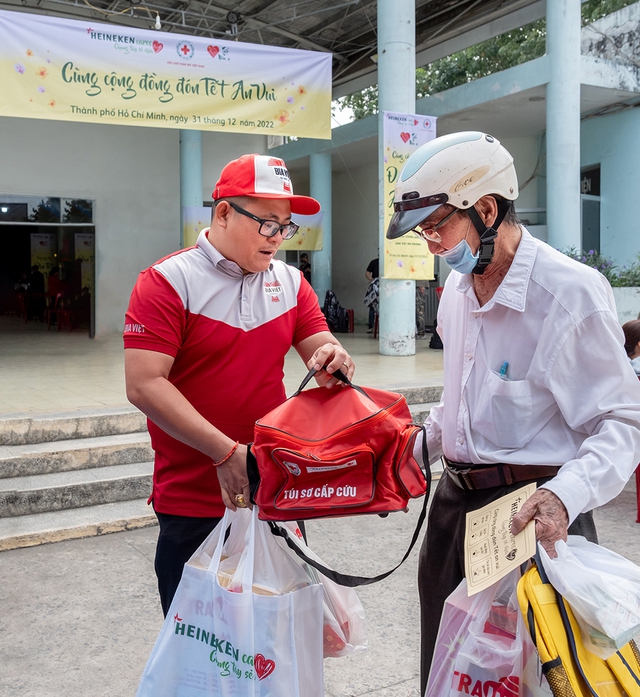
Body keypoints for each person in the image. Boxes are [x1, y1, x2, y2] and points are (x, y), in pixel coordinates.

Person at [386, 131, 640, 693]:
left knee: (527, 676)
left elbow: (623, 422)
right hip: (454, 513)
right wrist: (412, 453)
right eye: (423, 232)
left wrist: (564, 496)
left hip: (534, 518)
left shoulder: (568, 295)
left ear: (486, 209)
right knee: (448, 668)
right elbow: (461, 409)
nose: (431, 245)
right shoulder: (457, 291)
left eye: (437, 227)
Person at [123, 153, 354, 616]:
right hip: (193, 500)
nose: (278, 239)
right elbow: (145, 384)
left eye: (286, 226)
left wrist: (334, 361)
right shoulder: (169, 281)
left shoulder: (291, 283)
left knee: (278, 645)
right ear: (224, 212)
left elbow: (322, 352)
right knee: (200, 656)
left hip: (275, 493)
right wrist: (224, 453)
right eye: (268, 223)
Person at [365, 257, 379, 333]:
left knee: (373, 306)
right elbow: (367, 273)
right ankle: (371, 325)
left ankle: (372, 326)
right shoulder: (374, 262)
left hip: (378, 286)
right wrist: (372, 280)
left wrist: (371, 279)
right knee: (373, 306)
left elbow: (367, 273)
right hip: (376, 286)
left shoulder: (374, 261)